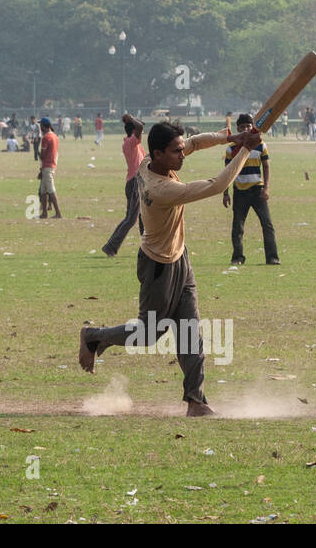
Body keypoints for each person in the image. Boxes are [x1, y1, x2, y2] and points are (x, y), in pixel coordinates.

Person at [78, 121, 263, 417]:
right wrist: (243, 150)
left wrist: (232, 137)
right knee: (149, 333)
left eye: (180, 149)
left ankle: (196, 401)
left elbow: (196, 142)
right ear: (159, 153)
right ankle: (94, 336)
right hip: (157, 266)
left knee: (191, 331)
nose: (182, 155)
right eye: (176, 151)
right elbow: (217, 185)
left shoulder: (154, 161)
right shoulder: (160, 188)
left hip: (180, 259)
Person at [221, 113, 279, 265]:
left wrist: (266, 188)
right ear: (238, 129)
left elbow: (266, 167)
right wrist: (225, 193)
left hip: (257, 190)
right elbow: (226, 172)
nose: (246, 129)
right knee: (238, 227)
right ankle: (237, 257)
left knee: (267, 224)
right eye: (242, 127)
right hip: (239, 191)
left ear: (252, 127)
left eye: (248, 126)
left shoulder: (260, 144)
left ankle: (272, 257)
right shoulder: (232, 148)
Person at [102, 114, 146, 257]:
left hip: (138, 182)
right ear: (134, 132)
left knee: (143, 216)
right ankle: (111, 246)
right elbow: (140, 126)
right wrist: (130, 117)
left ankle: (148, 246)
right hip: (134, 183)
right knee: (131, 219)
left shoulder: (135, 144)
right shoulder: (131, 142)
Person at [37, 117, 62, 219]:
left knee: (51, 190)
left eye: (40, 125)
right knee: (43, 191)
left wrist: (38, 154)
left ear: (43, 126)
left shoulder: (46, 138)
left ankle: (58, 213)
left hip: (47, 166)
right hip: (50, 165)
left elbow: (43, 155)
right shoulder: (55, 136)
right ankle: (44, 213)